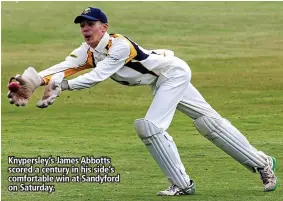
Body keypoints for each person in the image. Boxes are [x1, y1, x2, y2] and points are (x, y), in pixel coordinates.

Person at [8, 7, 278, 196]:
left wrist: (61, 85)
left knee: (152, 127)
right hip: (161, 80)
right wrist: (33, 81)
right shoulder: (88, 50)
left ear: (105, 27)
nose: (85, 29)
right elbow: (65, 66)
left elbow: (97, 77)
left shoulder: (120, 45)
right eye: (82, 25)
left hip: (173, 74)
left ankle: (183, 185)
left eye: (90, 24)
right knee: (209, 123)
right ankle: (262, 161)